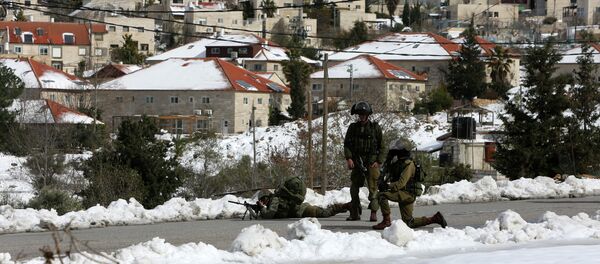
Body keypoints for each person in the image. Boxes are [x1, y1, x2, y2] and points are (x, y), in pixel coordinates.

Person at [372, 139, 447, 230]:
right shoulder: (398, 162)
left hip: (407, 194)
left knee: (381, 195)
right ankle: (435, 219)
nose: (395, 151)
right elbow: (388, 173)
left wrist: (387, 186)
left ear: (402, 151)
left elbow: (401, 183)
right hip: (403, 192)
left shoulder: (409, 164)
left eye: (397, 149)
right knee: (409, 222)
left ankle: (386, 221)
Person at [343, 101, 385, 222]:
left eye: (363, 114)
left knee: (373, 189)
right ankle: (355, 212)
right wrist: (349, 158)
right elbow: (347, 145)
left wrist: (378, 161)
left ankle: (373, 212)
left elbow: (382, 146)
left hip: (372, 162)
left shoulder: (375, 128)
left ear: (367, 115)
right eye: (359, 114)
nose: (361, 116)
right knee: (354, 188)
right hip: (357, 162)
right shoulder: (353, 128)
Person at [257, 176, 351, 219]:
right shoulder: (274, 201)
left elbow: (269, 214)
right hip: (301, 210)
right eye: (261, 201)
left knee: (325, 213)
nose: (263, 202)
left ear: (267, 197)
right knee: (324, 212)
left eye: (263, 200)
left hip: (303, 210)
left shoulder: (275, 199)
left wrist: (261, 208)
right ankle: (344, 207)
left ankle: (346, 206)